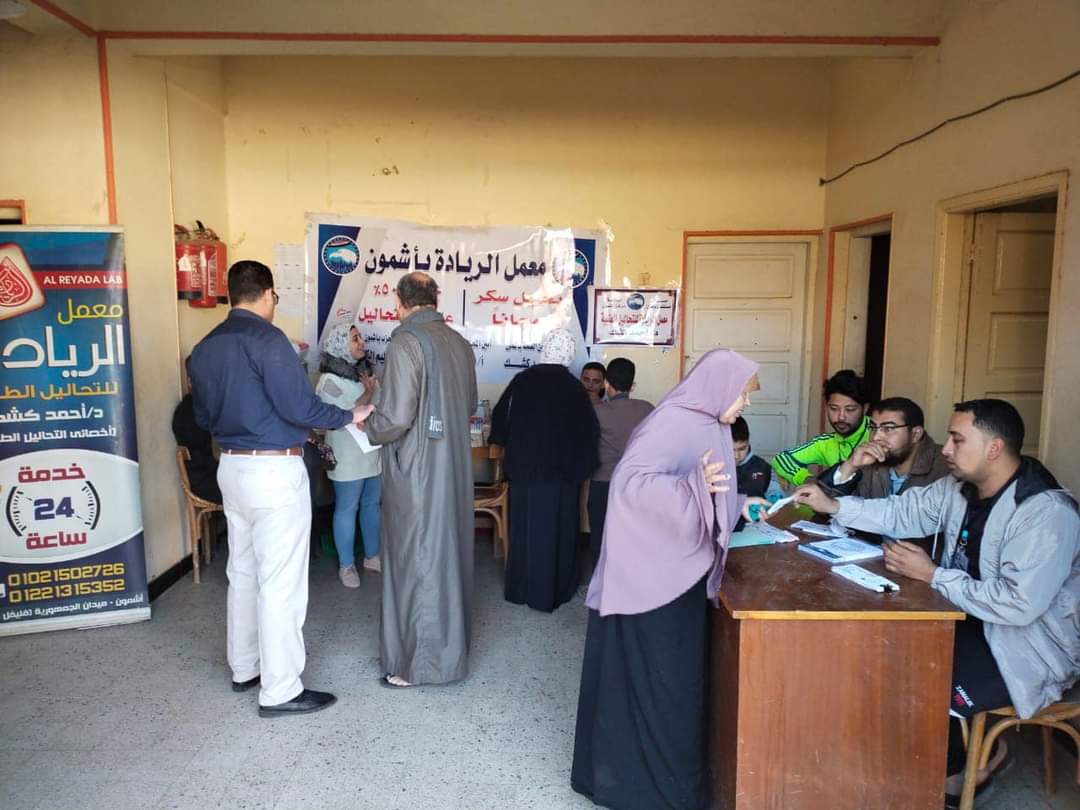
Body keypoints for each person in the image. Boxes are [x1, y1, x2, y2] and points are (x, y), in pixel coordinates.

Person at [793, 399, 1080, 807]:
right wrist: (835, 505)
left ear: (994, 448)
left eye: (957, 439)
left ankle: (958, 770)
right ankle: (931, 765)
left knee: (918, 679)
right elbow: (903, 511)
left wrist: (933, 575)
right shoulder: (957, 488)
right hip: (969, 620)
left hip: (1027, 646)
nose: (945, 448)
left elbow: (1019, 606)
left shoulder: (1045, 513)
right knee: (885, 650)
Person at [572, 349, 771, 810]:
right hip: (650, 579)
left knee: (677, 685)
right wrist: (693, 488)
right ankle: (640, 790)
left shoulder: (711, 424)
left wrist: (738, 504)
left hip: (681, 573)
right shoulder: (672, 421)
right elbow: (629, 487)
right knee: (658, 683)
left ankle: (674, 783)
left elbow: (710, 487)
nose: (745, 404)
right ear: (718, 387)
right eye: (742, 394)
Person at [189, 260, 371, 717]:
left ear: (232, 294)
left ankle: (245, 667)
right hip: (273, 471)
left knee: (243, 572)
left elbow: (203, 417)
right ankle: (281, 689)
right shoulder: (269, 340)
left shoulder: (205, 347)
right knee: (280, 582)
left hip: (232, 467)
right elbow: (301, 408)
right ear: (269, 294)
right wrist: (350, 416)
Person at [363, 272, 478, 688]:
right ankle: (448, 652)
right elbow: (468, 404)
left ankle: (419, 664)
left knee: (418, 557)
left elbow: (395, 418)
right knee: (446, 554)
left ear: (398, 300)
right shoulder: (459, 343)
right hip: (454, 467)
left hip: (418, 471)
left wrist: (368, 426)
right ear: (435, 299)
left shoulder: (406, 341)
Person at [490, 328, 600, 611]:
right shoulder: (574, 388)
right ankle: (553, 592)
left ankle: (520, 590)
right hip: (561, 479)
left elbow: (500, 420)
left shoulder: (522, 380)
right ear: (568, 353)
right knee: (558, 533)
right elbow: (588, 434)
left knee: (524, 530)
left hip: (525, 474)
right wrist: (582, 469)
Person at [820, 396, 949, 550]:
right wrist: (850, 466)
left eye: (888, 429)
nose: (876, 437)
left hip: (920, 563)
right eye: (873, 428)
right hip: (866, 557)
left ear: (916, 434)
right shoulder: (868, 460)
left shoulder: (946, 467)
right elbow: (823, 507)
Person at [315, 323, 382, 588]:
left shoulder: (364, 373)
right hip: (347, 454)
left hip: (372, 450)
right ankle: (346, 565)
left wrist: (372, 390)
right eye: (354, 339)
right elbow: (343, 415)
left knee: (372, 504)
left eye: (360, 337)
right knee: (347, 507)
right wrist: (369, 392)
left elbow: (380, 407)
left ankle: (372, 556)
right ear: (340, 344)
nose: (361, 342)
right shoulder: (328, 381)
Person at [587, 357, 653, 570]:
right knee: (631, 534)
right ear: (632, 385)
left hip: (603, 483)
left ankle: (602, 581)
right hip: (637, 484)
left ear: (606, 383)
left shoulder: (598, 412)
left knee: (600, 535)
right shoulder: (647, 408)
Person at [771, 368, 870, 486]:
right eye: (834, 408)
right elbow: (781, 459)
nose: (841, 417)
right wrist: (809, 480)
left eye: (850, 409)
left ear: (865, 408)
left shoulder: (879, 433)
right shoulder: (825, 443)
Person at [172, 356, 221, 504]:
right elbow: (204, 458)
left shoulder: (189, 407)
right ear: (190, 381)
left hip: (205, 477)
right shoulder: (191, 411)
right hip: (205, 481)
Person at [731, 416, 784, 530]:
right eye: (731, 450)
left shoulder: (763, 467)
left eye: (742, 449)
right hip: (725, 530)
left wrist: (774, 503)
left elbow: (776, 494)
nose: (736, 456)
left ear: (748, 441)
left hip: (756, 527)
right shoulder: (712, 468)